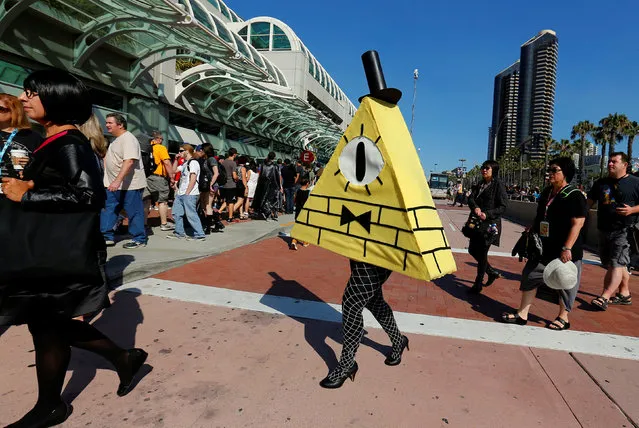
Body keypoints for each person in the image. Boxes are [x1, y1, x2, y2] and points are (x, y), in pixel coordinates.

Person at [0, 68, 147, 428]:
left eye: (31, 93)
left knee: (47, 327)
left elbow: (88, 195)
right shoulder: (52, 141)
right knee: (47, 325)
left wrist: (29, 193)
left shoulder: (69, 143)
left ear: (57, 99)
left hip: (56, 257)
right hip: (45, 252)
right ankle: (123, 358)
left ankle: (52, 406)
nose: (23, 99)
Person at [501, 157, 587, 330]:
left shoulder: (574, 196)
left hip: (565, 250)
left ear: (565, 173)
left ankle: (563, 317)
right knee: (530, 276)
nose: (550, 173)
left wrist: (567, 247)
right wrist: (532, 228)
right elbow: (541, 215)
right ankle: (522, 314)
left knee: (564, 283)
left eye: (555, 170)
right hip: (543, 248)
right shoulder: (547, 192)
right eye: (550, 170)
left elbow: (578, 223)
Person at [588, 152, 639, 310]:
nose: (610, 164)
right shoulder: (601, 183)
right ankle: (624, 294)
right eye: (609, 161)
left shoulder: (635, 182)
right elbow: (588, 203)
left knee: (616, 264)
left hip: (624, 229)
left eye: (614, 162)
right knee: (612, 263)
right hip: (603, 229)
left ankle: (605, 296)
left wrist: (632, 210)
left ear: (625, 165)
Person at [100, 113, 147, 248]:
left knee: (134, 212)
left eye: (110, 123)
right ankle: (106, 236)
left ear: (120, 125)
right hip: (112, 184)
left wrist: (117, 181)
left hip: (129, 185)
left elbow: (129, 161)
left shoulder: (128, 139)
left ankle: (139, 239)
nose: (107, 125)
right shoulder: (116, 140)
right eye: (107, 122)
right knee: (109, 209)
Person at [466, 160, 508, 294]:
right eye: (483, 168)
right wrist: (476, 207)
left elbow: (503, 206)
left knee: (483, 253)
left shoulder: (498, 185)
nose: (484, 170)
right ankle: (490, 272)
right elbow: (471, 198)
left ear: (493, 170)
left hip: (490, 225)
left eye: (487, 168)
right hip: (477, 223)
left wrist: (487, 213)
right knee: (472, 250)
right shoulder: (480, 184)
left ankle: (478, 284)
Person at [0, 93, 42, 188]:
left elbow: (44, 168)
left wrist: (30, 164)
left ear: (15, 112)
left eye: (0, 109)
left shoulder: (32, 137)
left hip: (16, 191)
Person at [167, 144, 205, 241]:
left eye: (181, 151)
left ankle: (199, 234)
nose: (179, 153)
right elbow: (173, 171)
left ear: (187, 151)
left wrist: (187, 192)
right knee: (176, 213)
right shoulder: (185, 163)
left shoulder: (193, 163)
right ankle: (179, 233)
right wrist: (175, 159)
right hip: (181, 193)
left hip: (190, 193)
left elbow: (193, 178)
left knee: (191, 214)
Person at [145, 130, 175, 231]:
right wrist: (171, 177)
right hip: (158, 177)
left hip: (146, 177)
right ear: (157, 139)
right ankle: (164, 223)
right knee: (163, 201)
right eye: (161, 139)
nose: (162, 141)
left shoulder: (146, 148)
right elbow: (166, 162)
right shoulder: (160, 148)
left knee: (146, 201)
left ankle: (144, 224)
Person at [253, 151, 282, 220]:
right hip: (271, 185)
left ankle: (260, 211)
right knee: (270, 199)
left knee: (261, 197)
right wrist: (279, 186)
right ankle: (268, 213)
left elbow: (261, 175)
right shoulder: (274, 166)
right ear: (274, 158)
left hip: (262, 184)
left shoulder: (263, 165)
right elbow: (277, 177)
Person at [289, 178, 311, 250]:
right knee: (305, 227)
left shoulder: (297, 191)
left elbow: (295, 200)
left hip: (298, 210)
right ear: (307, 183)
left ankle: (294, 241)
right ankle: (304, 241)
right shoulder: (308, 192)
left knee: (298, 226)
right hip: (305, 211)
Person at [220, 148, 238, 222]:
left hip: (224, 184)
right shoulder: (233, 163)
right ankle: (230, 217)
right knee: (231, 202)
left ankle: (219, 211)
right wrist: (237, 178)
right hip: (231, 184)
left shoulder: (224, 162)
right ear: (234, 154)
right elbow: (234, 175)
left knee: (226, 200)